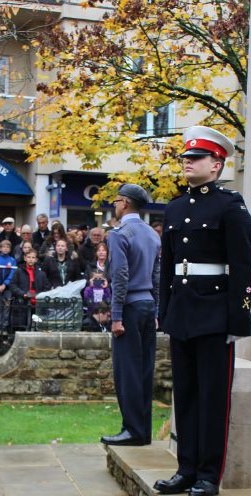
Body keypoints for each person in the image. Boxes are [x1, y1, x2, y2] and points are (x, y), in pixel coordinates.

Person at [154, 126, 251, 496]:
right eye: (185, 157)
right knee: (187, 394)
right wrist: (164, 311)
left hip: (214, 313)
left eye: (195, 158)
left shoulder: (230, 206)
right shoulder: (176, 207)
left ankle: (208, 475)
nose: (187, 163)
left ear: (217, 164)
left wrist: (238, 320)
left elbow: (243, 267)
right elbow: (167, 267)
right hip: (182, 311)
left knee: (213, 397)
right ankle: (186, 468)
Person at [100, 184, 161, 447]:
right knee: (145, 370)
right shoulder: (152, 234)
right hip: (147, 304)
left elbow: (120, 276)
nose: (114, 205)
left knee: (127, 373)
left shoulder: (119, 234)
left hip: (129, 308)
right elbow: (157, 277)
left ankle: (132, 430)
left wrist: (115, 316)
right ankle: (142, 430)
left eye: (116, 201)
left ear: (124, 203)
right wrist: (157, 310)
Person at [8, 249, 51, 330]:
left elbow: (47, 287)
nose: (31, 259)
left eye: (33, 257)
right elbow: (12, 285)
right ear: (25, 258)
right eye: (29, 257)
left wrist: (39, 295)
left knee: (37, 326)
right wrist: (22, 293)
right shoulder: (18, 271)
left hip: (37, 304)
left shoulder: (41, 274)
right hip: (23, 303)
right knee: (23, 327)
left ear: (36, 259)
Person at [0, 239, 17, 331]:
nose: (5, 249)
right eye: (3, 247)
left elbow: (12, 273)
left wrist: (5, 284)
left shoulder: (12, 260)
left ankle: (4, 329)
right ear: (0, 248)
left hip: (7, 288)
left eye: (8, 247)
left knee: (7, 308)